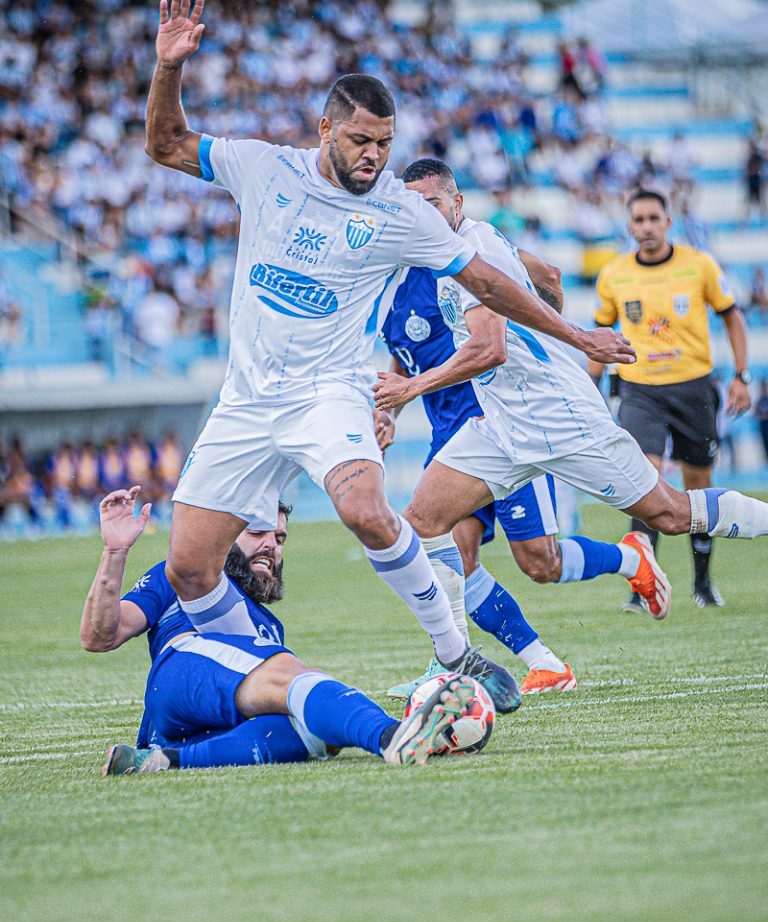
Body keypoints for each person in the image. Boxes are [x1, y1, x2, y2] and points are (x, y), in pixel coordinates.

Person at [143, 0, 631, 714]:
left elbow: (489, 282)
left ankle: (454, 650)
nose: (373, 154)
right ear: (325, 131)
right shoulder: (262, 168)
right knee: (188, 567)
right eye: (360, 140)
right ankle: (257, 667)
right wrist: (168, 66)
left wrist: (577, 335)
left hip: (329, 392)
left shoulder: (401, 211)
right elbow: (165, 143)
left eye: (384, 142)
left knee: (368, 510)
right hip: (245, 399)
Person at [372, 160, 768, 637]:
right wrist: (553, 338)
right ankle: (455, 663)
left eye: (431, 204)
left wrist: (410, 388)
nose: (423, 217)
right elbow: (551, 277)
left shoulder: (474, 249)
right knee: (423, 520)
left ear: (457, 204)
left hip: (561, 417)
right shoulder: (454, 252)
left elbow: (489, 348)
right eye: (413, 208)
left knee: (671, 513)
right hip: (501, 424)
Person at [376, 220, 669, 696]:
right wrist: (394, 409)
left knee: (540, 563)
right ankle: (511, 664)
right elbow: (405, 356)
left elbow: (547, 275)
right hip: (452, 440)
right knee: (451, 557)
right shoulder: (383, 293)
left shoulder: (458, 258)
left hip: (510, 425)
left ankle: (628, 558)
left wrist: (548, 351)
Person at [84, 486, 479, 773]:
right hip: (180, 672)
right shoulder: (185, 576)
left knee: (316, 732)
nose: (271, 545)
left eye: (279, 537)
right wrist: (115, 552)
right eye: (256, 533)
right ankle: (393, 735)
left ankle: (161, 761)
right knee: (292, 677)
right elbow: (99, 636)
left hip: (188, 729)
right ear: (225, 536)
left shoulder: (270, 627)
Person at [589, 189, 753, 610]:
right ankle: (641, 588)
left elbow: (733, 318)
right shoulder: (614, 275)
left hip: (693, 388)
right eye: (638, 219)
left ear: (667, 222)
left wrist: (741, 376)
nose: (645, 226)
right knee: (646, 479)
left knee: (697, 485)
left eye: (653, 218)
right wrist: (589, 392)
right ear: (629, 225)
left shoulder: (699, 266)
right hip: (640, 390)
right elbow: (598, 340)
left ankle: (702, 583)